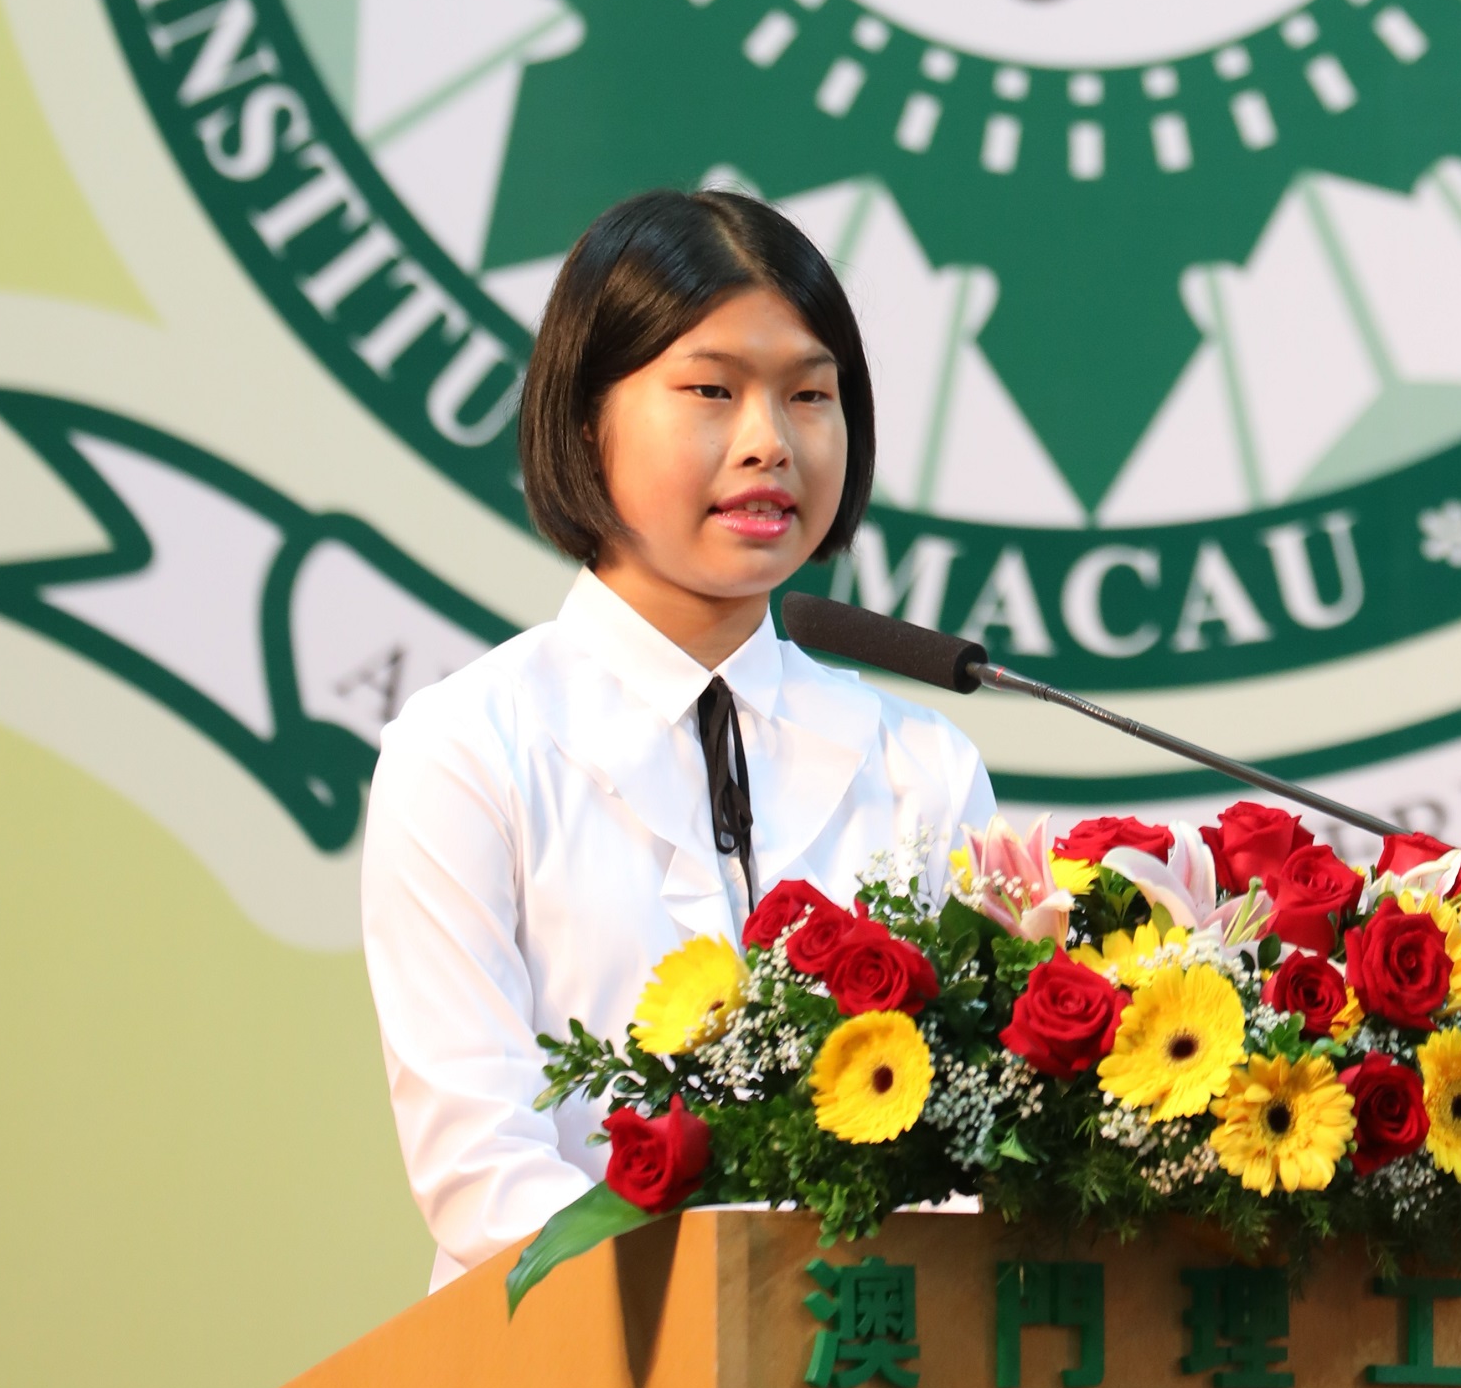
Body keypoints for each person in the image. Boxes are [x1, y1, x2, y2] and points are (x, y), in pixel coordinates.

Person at [361, 184, 994, 1288]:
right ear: (584, 419)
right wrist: (725, 1314)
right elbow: (478, 1167)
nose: (769, 442)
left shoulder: (921, 767)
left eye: (809, 395)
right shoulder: (468, 750)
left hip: (869, 1371)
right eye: (711, 390)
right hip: (572, 1364)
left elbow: (965, 1148)